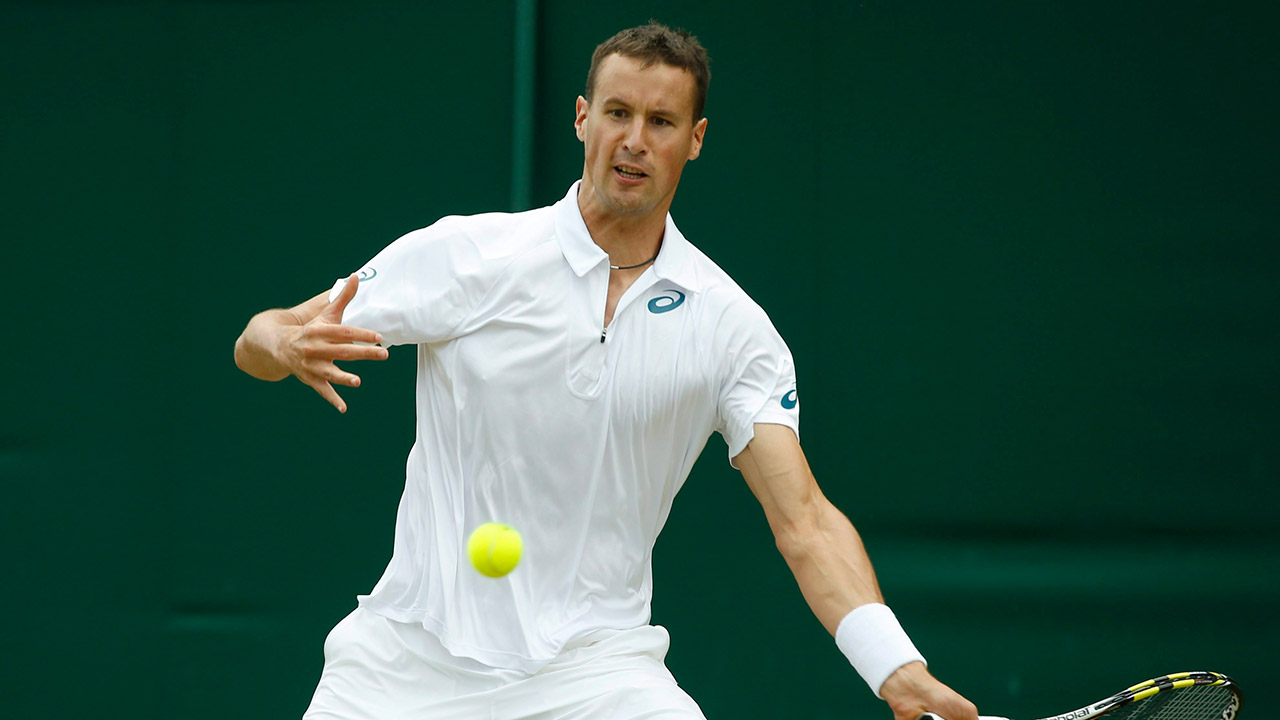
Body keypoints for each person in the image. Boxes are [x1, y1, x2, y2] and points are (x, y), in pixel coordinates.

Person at [234, 22, 979, 720]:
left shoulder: (731, 328)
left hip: (597, 673)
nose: (634, 140)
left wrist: (892, 666)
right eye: (618, 112)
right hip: (405, 662)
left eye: (661, 122)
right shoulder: (469, 255)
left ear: (695, 140)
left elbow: (805, 520)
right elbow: (261, 335)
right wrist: (285, 347)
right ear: (583, 118)